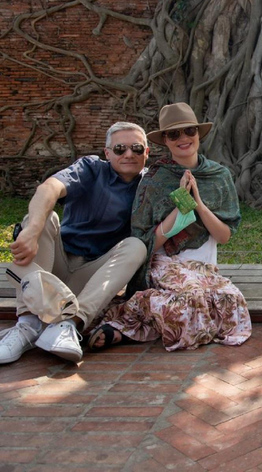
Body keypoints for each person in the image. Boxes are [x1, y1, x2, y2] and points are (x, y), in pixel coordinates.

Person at [88, 102, 251, 352]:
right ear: (165, 139)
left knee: (231, 302)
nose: (183, 138)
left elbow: (225, 235)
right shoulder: (154, 179)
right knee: (187, 304)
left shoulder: (219, 176)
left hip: (204, 268)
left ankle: (130, 326)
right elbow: (144, 242)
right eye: (174, 134)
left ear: (198, 133)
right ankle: (126, 324)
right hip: (165, 265)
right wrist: (180, 204)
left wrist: (197, 203)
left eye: (189, 131)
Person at [1, 122, 150, 364]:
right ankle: (27, 324)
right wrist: (31, 232)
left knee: (136, 246)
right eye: (120, 148)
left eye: (136, 148)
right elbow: (48, 188)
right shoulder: (91, 168)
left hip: (92, 279)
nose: (129, 154)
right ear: (107, 152)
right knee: (41, 218)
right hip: (54, 266)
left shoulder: (150, 184)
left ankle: (70, 325)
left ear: (147, 152)